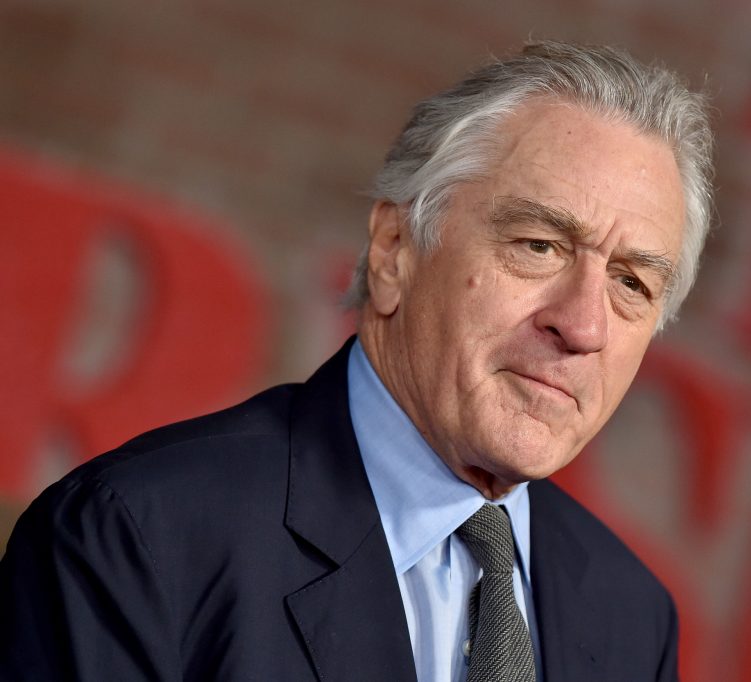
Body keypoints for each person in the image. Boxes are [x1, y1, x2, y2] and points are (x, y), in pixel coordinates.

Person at [0, 40, 713, 681]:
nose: (583, 326)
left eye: (631, 284)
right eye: (539, 246)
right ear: (394, 251)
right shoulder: (138, 535)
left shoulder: (633, 617)